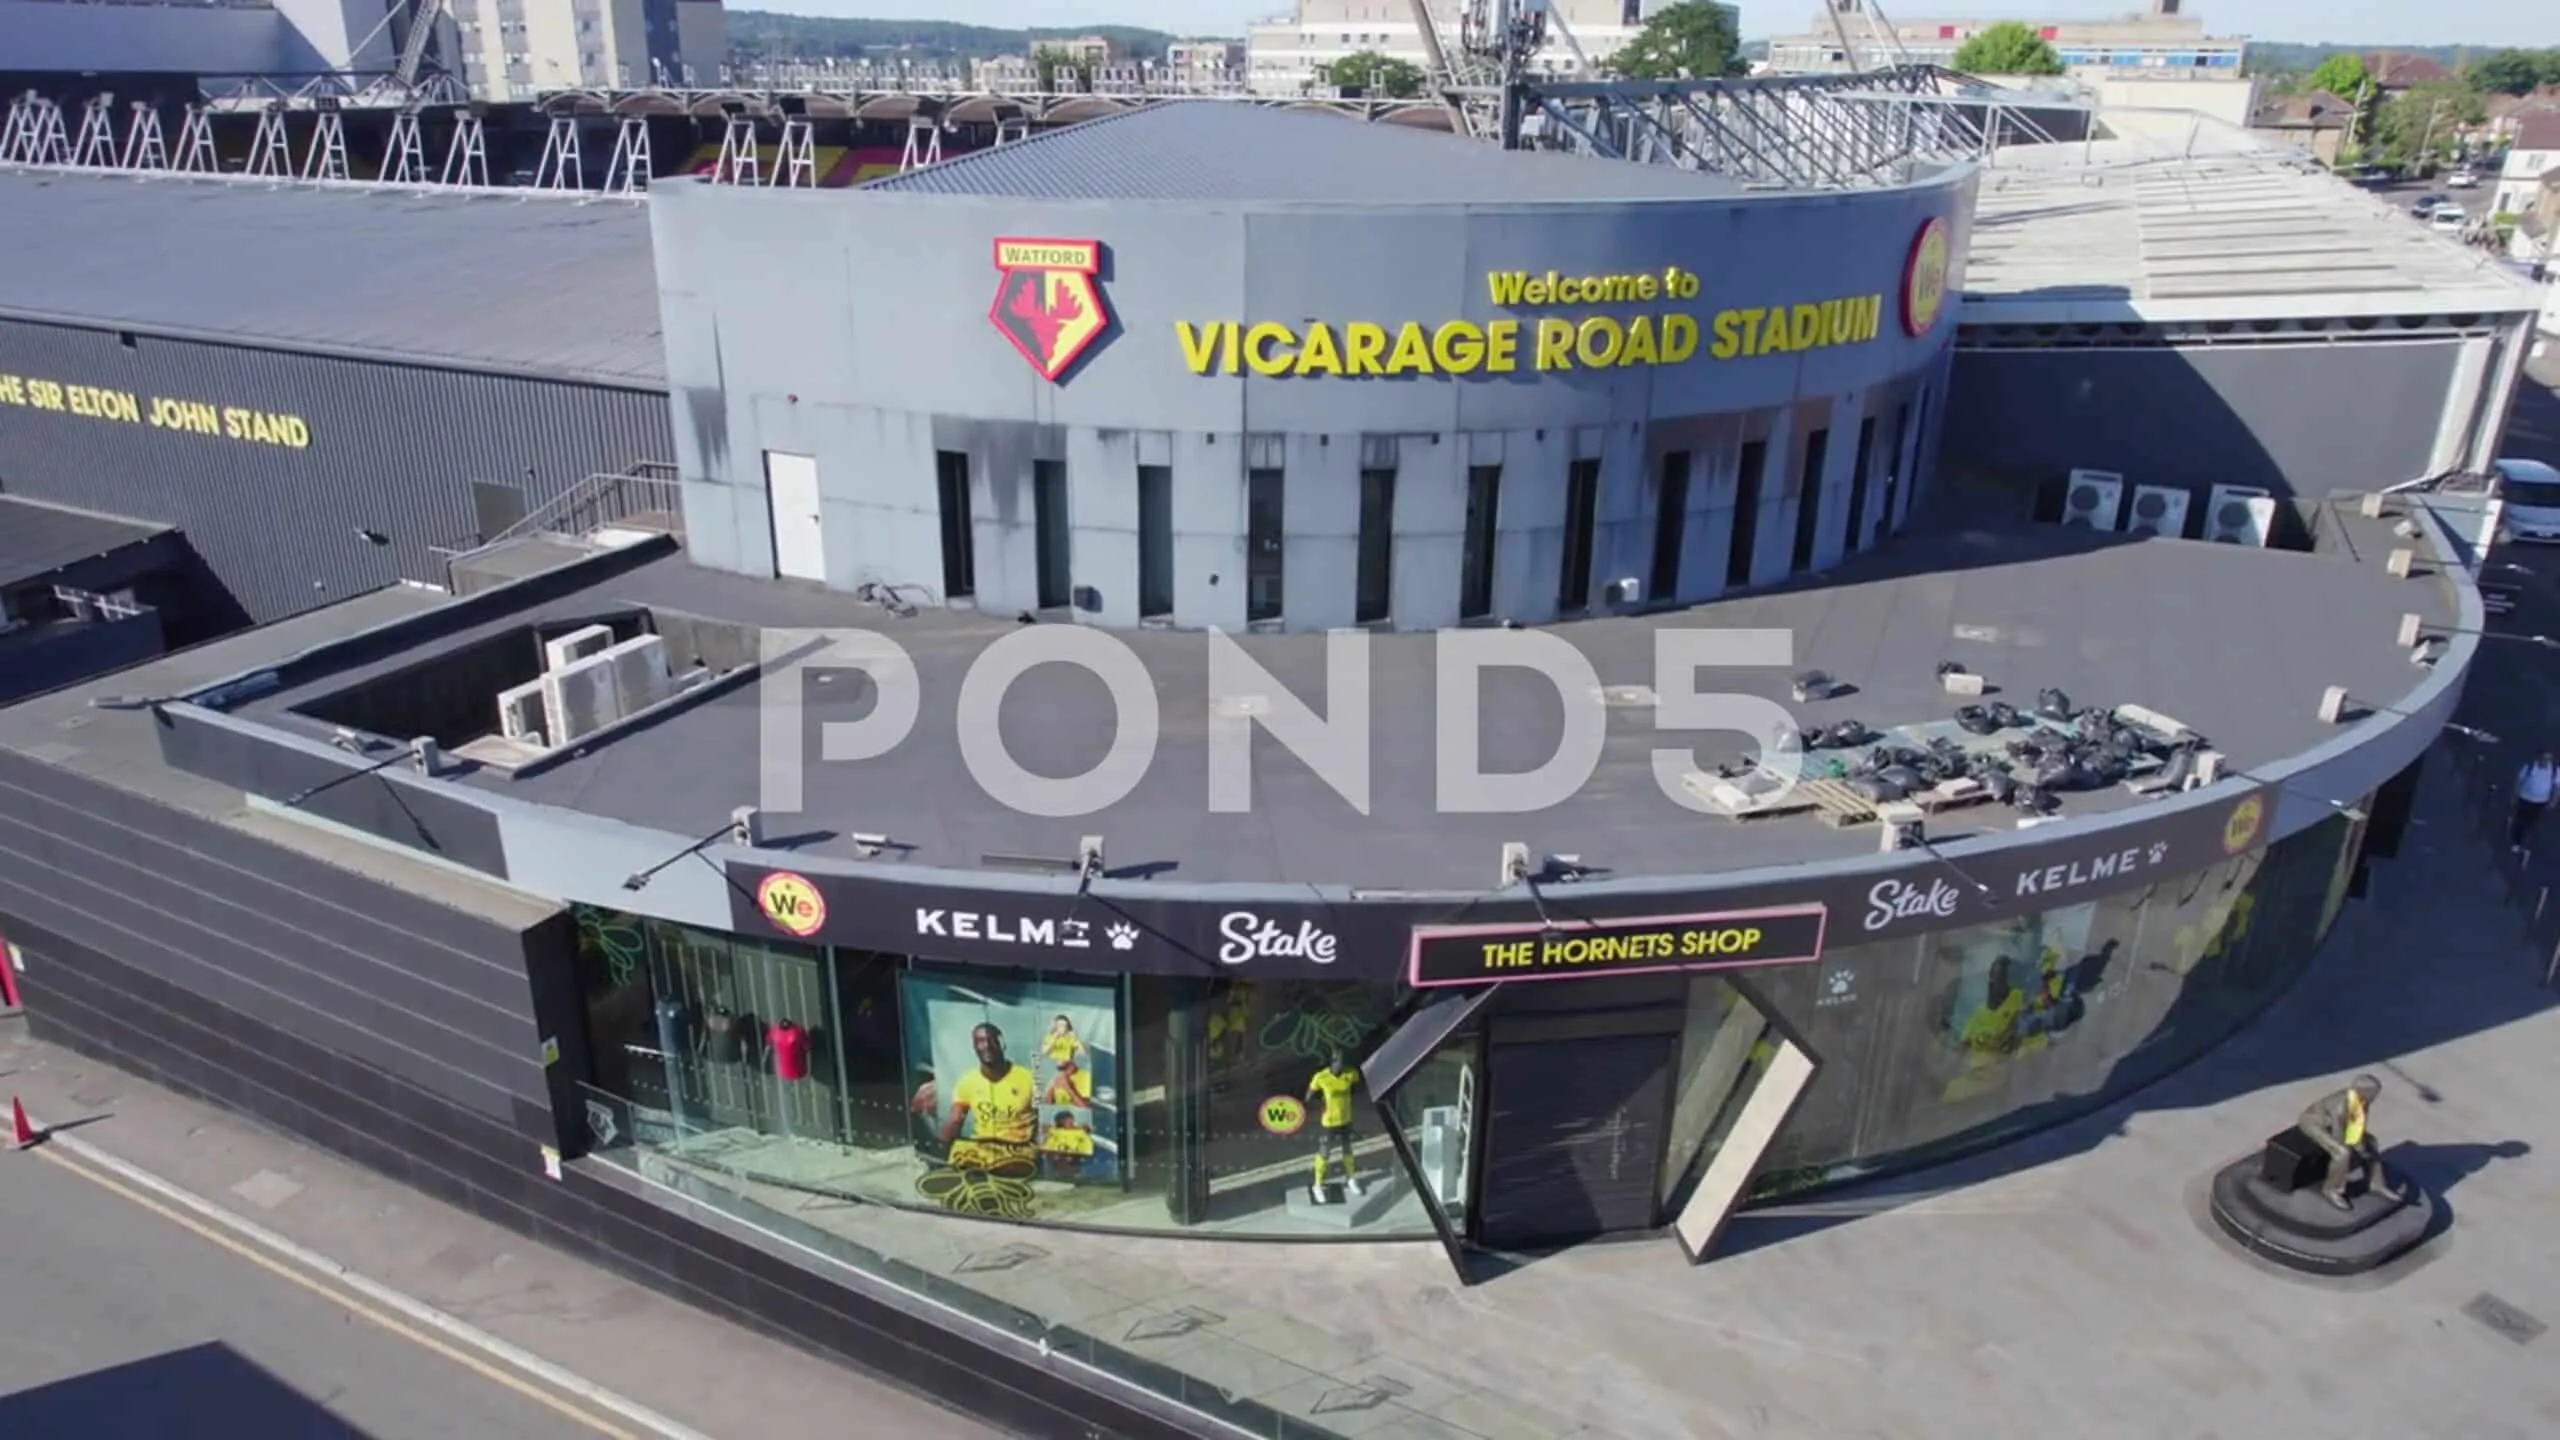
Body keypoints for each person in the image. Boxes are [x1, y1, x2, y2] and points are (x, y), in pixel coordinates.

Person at [2296, 1074, 2403, 1212]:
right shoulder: (2340, 1106)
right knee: (2342, 1153)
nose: (2376, 1096)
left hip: (2337, 1126)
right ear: (2364, 1092)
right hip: (2314, 1123)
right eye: (2375, 1093)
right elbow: (2339, 1135)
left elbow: (2358, 1126)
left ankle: (2375, 1183)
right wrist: (2357, 1149)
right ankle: (2332, 1190)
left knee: (2371, 1143)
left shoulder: (2361, 1100)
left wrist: (2362, 1145)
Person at [939, 1023, 1037, 1173]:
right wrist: (939, 1152)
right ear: (974, 1047)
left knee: (1012, 1165)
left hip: (1018, 1149)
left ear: (1002, 1043)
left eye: (992, 1040)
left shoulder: (1029, 1078)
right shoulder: (967, 1081)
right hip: (981, 1147)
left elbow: (1046, 1121)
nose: (987, 1046)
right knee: (960, 1154)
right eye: (980, 1041)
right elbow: (955, 1119)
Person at [1305, 1048, 1362, 1197]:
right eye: (1337, 1062)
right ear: (1331, 1062)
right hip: (1329, 1122)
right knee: (1325, 1152)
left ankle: (1350, 1178)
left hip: (1346, 1119)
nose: (1339, 1066)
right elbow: (1309, 1096)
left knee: (1348, 1149)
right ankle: (1317, 1184)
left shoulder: (1351, 1074)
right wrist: (1320, 1107)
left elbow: (1357, 1089)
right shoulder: (1321, 1077)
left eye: (1342, 1062)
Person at [2512, 752, 2557, 850]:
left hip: (2540, 802)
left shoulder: (2554, 771)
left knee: (2532, 823)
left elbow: (2557, 787)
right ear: (2539, 758)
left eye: (2548, 759)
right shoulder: (2530, 767)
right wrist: (2515, 795)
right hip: (2525, 798)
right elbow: (2519, 781)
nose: (2546, 761)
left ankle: (2526, 841)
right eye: (2544, 758)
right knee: (2520, 821)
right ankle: (2516, 841)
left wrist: (2554, 800)